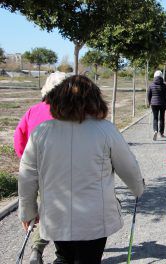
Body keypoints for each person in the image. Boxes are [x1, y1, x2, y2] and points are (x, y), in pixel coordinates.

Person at [18, 75, 144, 264]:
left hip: (56, 215)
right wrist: (138, 189)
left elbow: (27, 175)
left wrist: (27, 211)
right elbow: (129, 167)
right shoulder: (105, 130)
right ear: (95, 100)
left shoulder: (41, 132)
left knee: (64, 256)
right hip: (95, 219)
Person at [13, 71, 67, 264]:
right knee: (57, 208)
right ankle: (42, 249)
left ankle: (38, 249)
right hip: (61, 167)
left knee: (46, 207)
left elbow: (19, 138)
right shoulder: (70, 112)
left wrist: (26, 160)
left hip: (36, 166)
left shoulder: (33, 110)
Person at [148, 70, 166, 140]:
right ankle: (161, 133)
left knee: (155, 118)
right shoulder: (164, 85)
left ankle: (155, 131)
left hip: (153, 103)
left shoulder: (151, 85)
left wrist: (149, 103)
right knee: (162, 118)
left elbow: (149, 95)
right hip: (162, 103)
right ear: (161, 76)